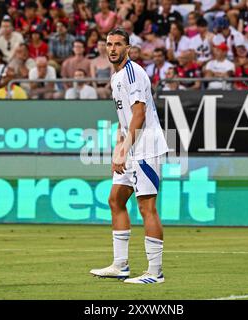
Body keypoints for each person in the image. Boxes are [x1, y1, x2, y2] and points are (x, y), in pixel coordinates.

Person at [90, 28, 169, 285]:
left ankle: (155, 272)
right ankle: (120, 265)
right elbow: (123, 121)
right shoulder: (116, 78)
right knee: (115, 199)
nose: (112, 48)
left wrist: (124, 149)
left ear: (128, 48)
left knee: (147, 207)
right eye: (109, 44)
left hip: (146, 146)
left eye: (118, 44)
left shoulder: (133, 74)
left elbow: (139, 115)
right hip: (131, 145)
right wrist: (118, 147)